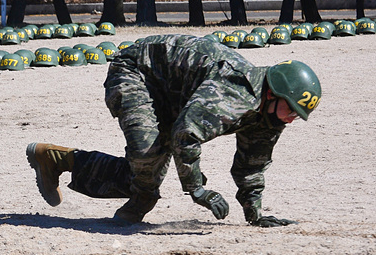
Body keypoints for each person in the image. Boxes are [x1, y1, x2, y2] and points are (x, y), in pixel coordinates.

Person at [26, 34, 322, 226]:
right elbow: (186, 135)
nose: (292, 118)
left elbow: (251, 164)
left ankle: (57, 160)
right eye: (292, 109)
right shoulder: (236, 94)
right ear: (275, 93)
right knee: (147, 153)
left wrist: (254, 213)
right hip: (137, 72)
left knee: (147, 172)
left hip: (176, 96)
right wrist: (197, 189)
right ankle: (139, 197)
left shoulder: (271, 115)